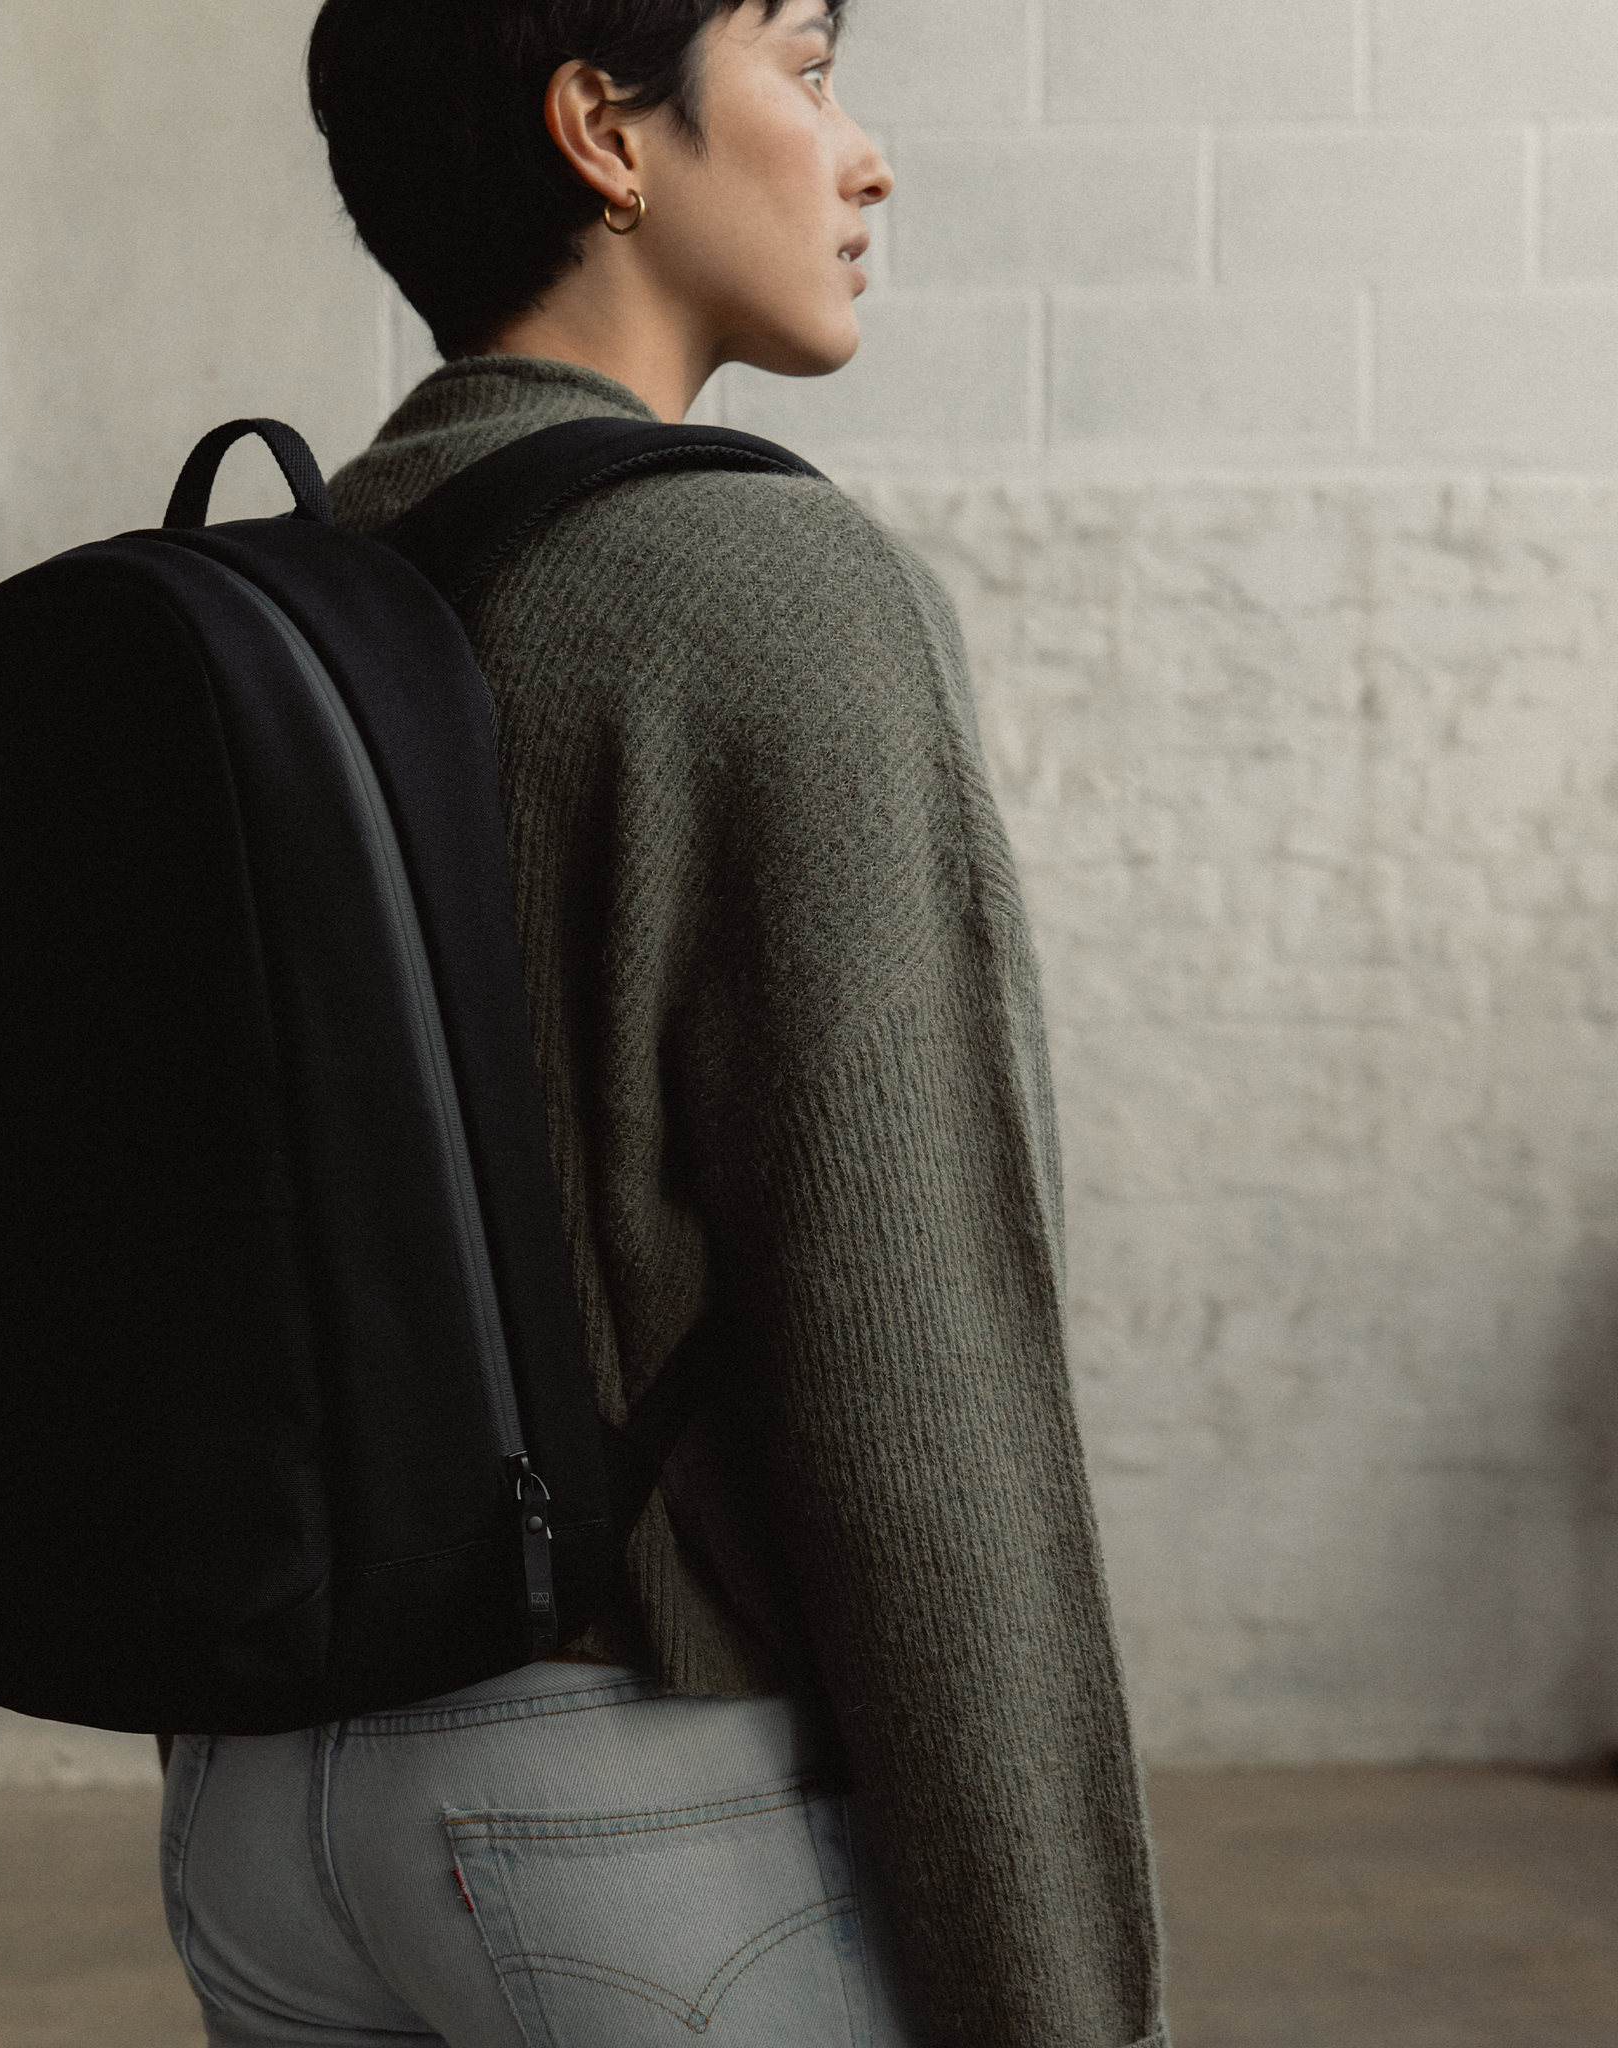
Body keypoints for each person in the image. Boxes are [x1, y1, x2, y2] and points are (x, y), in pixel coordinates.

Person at [156, 4, 1169, 2043]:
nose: (861, 152)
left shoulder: (278, 601)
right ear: (601, 131)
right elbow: (914, 1370)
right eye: (802, 65)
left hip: (261, 1806)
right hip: (630, 1820)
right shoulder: (762, 586)